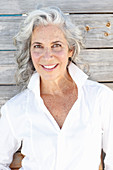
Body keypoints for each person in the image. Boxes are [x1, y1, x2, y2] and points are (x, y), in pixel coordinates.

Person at [0, 6, 113, 170]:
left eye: (56, 45)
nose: (47, 56)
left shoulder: (100, 98)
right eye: (38, 46)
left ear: (70, 50)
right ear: (30, 51)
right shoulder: (15, 109)